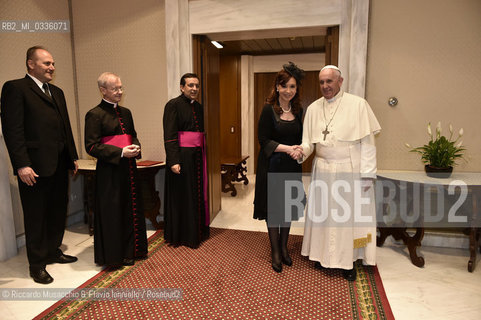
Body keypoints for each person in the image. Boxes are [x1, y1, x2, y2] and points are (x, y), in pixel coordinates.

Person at [0, 46, 79, 284]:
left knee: (57, 211)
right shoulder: (15, 88)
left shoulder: (58, 91)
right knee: (36, 215)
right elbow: (13, 130)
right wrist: (21, 164)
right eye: (46, 63)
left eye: (53, 63)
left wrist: (72, 156)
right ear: (30, 64)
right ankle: (36, 265)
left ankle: (53, 251)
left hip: (59, 164)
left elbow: (65, 126)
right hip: (33, 167)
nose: (52, 67)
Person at [298, 65, 381, 281]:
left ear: (340, 81)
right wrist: (300, 152)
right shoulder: (314, 108)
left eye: (330, 81)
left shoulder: (358, 105)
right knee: (323, 215)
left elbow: (368, 143)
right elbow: (308, 142)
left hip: (349, 169)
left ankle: (349, 261)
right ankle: (320, 254)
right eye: (322, 82)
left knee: (348, 219)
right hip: (322, 169)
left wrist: (368, 174)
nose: (325, 86)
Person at [85, 72, 148, 267]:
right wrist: (120, 152)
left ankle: (133, 251)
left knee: (131, 210)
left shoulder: (126, 113)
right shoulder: (94, 114)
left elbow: (133, 136)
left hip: (129, 170)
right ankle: (115, 256)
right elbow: (92, 146)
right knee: (114, 213)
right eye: (115, 89)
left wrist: (136, 147)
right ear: (103, 90)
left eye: (121, 88)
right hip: (109, 173)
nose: (120, 92)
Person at [253, 62, 305, 273]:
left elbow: (303, 138)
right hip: (272, 167)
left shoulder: (299, 110)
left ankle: (284, 249)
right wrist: (288, 149)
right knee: (275, 210)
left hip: (291, 167)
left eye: (292, 87)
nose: (288, 91)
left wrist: (299, 150)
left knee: (288, 208)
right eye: (285, 86)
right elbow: (263, 140)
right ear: (277, 87)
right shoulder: (268, 109)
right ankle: (275, 251)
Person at [163, 73, 209, 248]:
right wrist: (173, 160)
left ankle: (196, 231)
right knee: (183, 196)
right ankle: (183, 235)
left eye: (196, 85)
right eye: (190, 85)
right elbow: (169, 135)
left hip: (197, 156)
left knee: (196, 194)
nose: (194, 89)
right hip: (181, 157)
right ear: (182, 87)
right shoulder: (172, 105)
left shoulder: (198, 107)